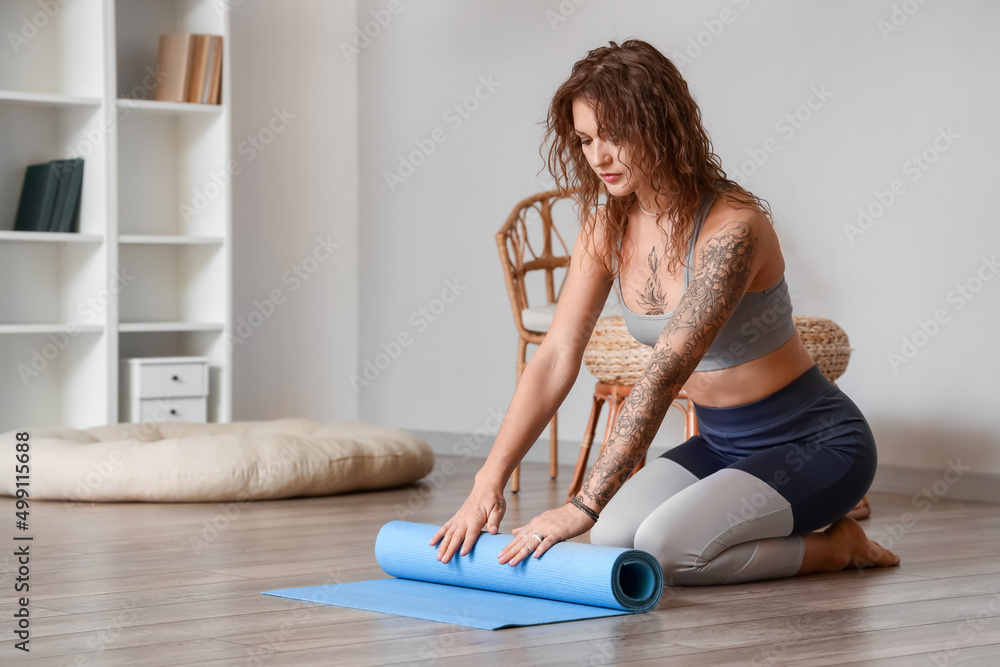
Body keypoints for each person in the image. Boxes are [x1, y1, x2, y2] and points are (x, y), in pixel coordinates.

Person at [430, 39, 898, 585]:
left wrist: (579, 505)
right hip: (722, 445)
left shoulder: (734, 228)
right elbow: (556, 354)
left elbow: (662, 375)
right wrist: (488, 480)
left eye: (616, 136)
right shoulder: (606, 226)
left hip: (814, 444)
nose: (598, 157)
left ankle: (840, 546)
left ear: (661, 125)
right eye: (585, 140)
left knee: (666, 550)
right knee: (612, 539)